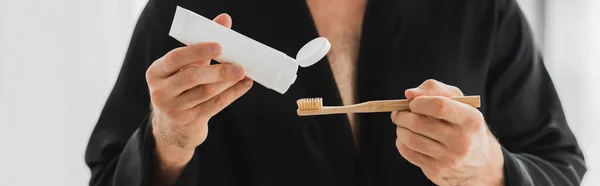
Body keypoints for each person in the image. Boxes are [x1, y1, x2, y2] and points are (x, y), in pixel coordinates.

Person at [85, 0, 587, 185]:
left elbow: (559, 167)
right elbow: (110, 176)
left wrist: (487, 171)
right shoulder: (189, 16)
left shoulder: (479, 9)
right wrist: (168, 142)